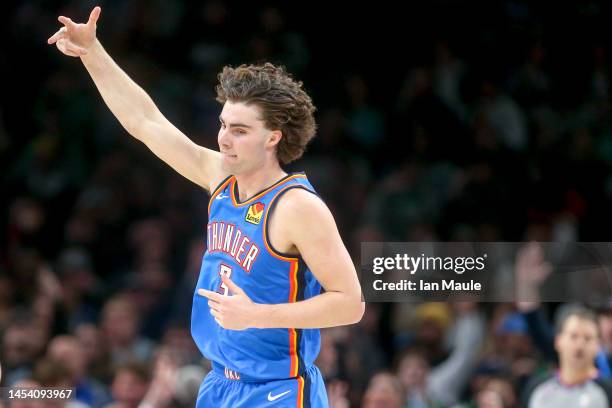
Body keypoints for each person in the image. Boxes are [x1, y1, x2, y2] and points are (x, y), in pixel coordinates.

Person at [47, 6, 364, 407]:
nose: (224, 139)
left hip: (279, 389)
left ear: (273, 138)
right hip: (218, 383)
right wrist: (92, 53)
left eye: (240, 130)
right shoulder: (219, 175)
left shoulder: (297, 206)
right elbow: (146, 121)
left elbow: (351, 303)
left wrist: (258, 316)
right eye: (223, 125)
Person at [524, 306, 612, 408]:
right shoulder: (536, 389)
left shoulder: (607, 391)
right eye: (573, 336)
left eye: (587, 338)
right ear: (558, 341)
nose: (580, 345)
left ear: (598, 345)